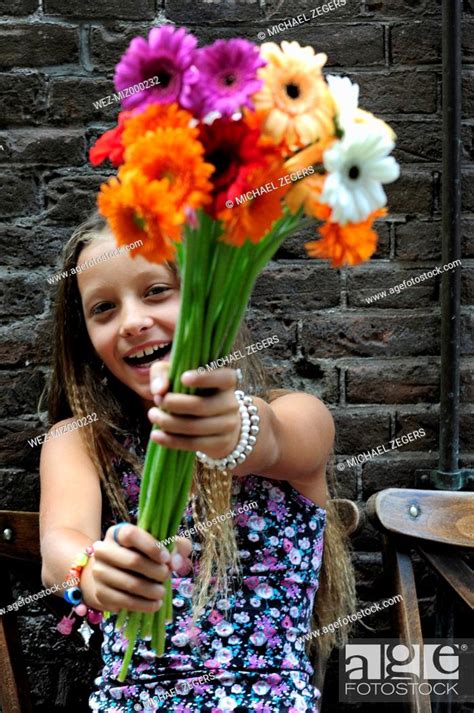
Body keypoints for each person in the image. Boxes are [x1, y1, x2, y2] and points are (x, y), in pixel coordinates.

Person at [40, 211, 356, 712]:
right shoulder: (79, 440)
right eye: (103, 308)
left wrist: (230, 429)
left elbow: (273, 440)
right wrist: (96, 572)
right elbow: (60, 546)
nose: (133, 321)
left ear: (208, 298)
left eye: (157, 290)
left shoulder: (299, 413)